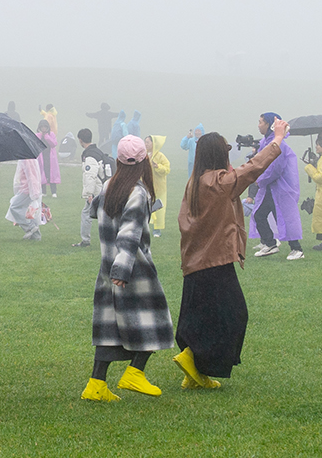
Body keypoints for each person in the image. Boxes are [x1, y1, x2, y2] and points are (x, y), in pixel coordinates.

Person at [170, 125, 285, 388]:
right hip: (215, 261)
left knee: (203, 316)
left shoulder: (195, 182)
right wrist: (277, 140)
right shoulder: (221, 182)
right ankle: (194, 359)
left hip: (194, 262)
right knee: (234, 315)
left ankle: (197, 374)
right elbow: (253, 168)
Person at [81, 135, 171, 400]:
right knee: (152, 320)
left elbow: (96, 211)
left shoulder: (110, 185)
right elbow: (129, 233)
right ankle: (135, 373)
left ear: (118, 160)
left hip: (108, 266)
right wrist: (123, 270)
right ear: (144, 161)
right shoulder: (138, 192)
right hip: (132, 269)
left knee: (110, 326)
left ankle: (96, 385)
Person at [249, 113, 305, 259]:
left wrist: (260, 180)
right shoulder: (266, 142)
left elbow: (275, 169)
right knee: (262, 214)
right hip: (271, 188)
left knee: (283, 216)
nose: (259, 125)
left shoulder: (279, 145)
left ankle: (296, 249)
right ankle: (271, 244)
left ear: (269, 124)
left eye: (261, 122)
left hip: (280, 188)